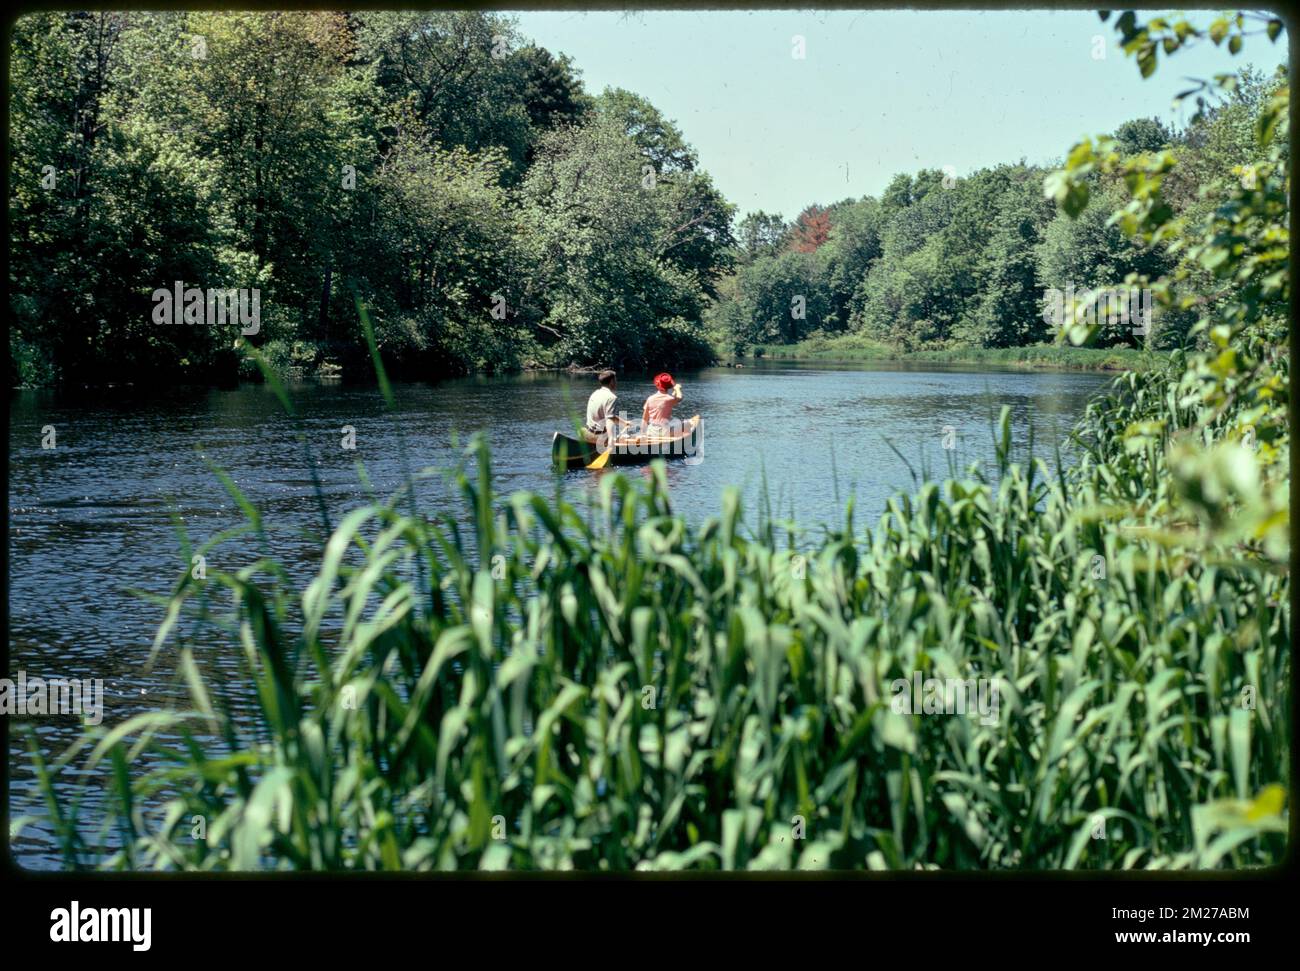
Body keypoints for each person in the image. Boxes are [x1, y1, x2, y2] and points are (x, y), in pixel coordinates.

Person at [584, 369, 626, 446]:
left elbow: (610, 416)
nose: (616, 383)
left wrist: (624, 423)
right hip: (600, 438)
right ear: (612, 382)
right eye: (615, 380)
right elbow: (609, 419)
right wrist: (610, 439)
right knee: (626, 438)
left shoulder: (595, 393)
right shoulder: (611, 397)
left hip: (588, 434)